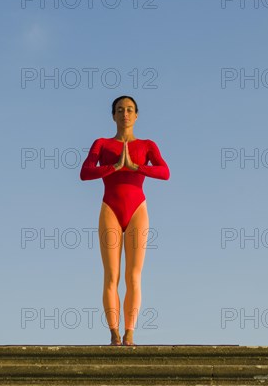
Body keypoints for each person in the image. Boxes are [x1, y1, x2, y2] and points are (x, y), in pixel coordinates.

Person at [80, 96, 170, 346]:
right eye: (120, 110)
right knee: (111, 275)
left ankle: (130, 333)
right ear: (113, 116)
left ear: (137, 115)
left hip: (137, 210)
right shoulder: (102, 143)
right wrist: (114, 167)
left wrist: (136, 167)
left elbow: (165, 172)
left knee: (134, 275)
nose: (125, 114)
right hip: (110, 208)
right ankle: (114, 333)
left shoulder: (147, 145)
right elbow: (85, 172)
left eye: (130, 110)